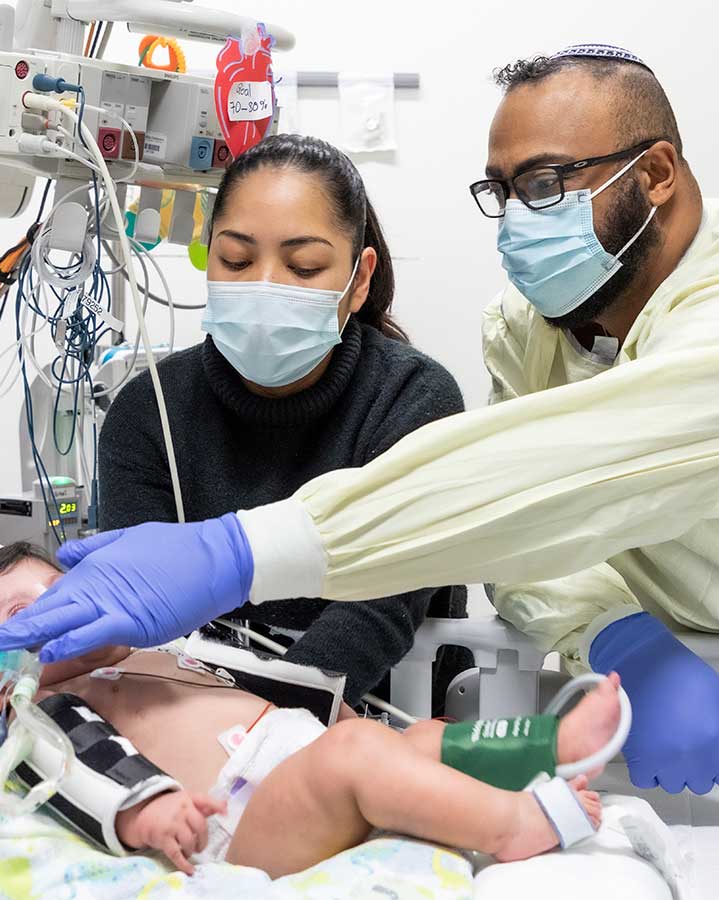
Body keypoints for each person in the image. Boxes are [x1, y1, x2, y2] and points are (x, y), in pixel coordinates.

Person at [0, 44, 719, 793]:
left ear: (657, 175)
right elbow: (521, 535)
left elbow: (576, 463)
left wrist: (240, 553)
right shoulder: (534, 328)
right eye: (502, 189)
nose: (521, 218)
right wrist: (622, 632)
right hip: (670, 689)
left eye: (550, 184)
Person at [0, 542, 619, 877]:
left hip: (301, 757)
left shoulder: (146, 650)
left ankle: (547, 744)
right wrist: (146, 809)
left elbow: (264, 676)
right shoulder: (45, 705)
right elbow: (75, 767)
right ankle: (511, 826)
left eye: (63, 589)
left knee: (421, 735)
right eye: (21, 612)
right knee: (355, 759)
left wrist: (337, 709)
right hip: (247, 819)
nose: (56, 610)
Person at [96, 134, 469, 713]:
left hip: (385, 711)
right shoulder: (151, 413)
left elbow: (377, 608)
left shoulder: (411, 398)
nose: (265, 285)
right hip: (199, 711)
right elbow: (141, 603)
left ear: (359, 277)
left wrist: (266, 728)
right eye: (237, 260)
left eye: (304, 266)